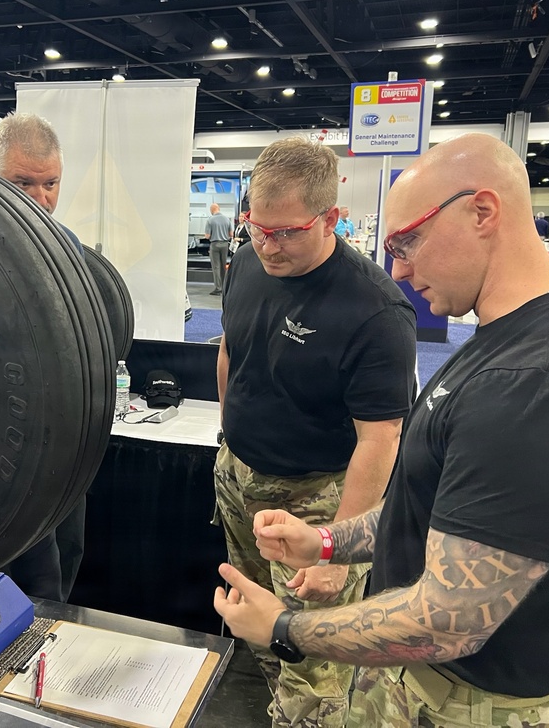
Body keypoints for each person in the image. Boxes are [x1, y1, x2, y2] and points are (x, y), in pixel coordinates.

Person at [214, 133, 549, 728]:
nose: (398, 267)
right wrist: (329, 543)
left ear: (482, 212)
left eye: (408, 241)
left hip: (471, 707)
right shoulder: (506, 343)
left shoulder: (539, 384)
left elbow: (448, 621)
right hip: (422, 691)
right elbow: (431, 513)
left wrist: (285, 628)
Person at [215, 136, 417, 727]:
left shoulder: (375, 311)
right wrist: (230, 438)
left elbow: (381, 438)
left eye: (286, 232)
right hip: (239, 477)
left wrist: (337, 550)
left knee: (312, 661)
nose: (268, 245)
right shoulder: (247, 262)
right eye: (257, 227)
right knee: (256, 627)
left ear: (331, 218)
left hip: (317, 499)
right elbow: (231, 351)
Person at [0, 111, 86, 603]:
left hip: (55, 443)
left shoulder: (68, 248)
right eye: (22, 182)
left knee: (58, 566)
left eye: (51, 184)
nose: (40, 199)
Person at [204, 203, 232, 295]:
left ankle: (218, 288)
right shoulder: (227, 219)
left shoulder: (210, 220)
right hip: (225, 244)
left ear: (212, 210)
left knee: (216, 267)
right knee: (223, 266)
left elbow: (207, 236)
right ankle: (224, 287)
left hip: (215, 245)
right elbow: (231, 234)